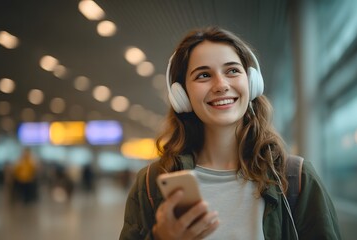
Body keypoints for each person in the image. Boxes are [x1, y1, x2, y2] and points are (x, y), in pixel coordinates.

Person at [120, 26, 341, 240]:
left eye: (233, 70)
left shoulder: (295, 179)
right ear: (182, 95)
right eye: (203, 75)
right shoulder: (151, 184)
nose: (221, 85)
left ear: (252, 82)